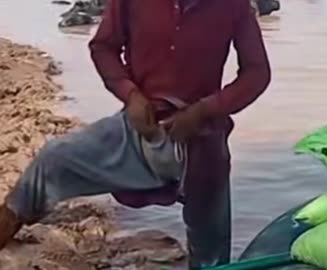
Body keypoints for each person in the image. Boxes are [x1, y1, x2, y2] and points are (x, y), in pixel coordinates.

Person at [0, 0, 271, 268]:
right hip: (138, 126)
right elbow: (103, 47)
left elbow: (257, 73)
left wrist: (203, 111)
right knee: (51, 160)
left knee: (211, 248)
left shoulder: (233, 5)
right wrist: (130, 96)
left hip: (201, 138)